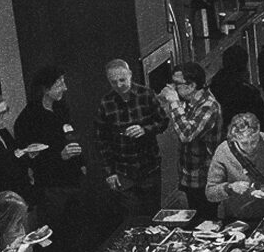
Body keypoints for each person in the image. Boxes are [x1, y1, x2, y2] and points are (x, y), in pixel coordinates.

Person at [14, 66, 90, 236]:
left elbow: (69, 135)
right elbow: (29, 157)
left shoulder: (61, 107)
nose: (65, 87)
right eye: (59, 84)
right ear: (45, 89)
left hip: (72, 178)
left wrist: (81, 162)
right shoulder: (28, 119)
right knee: (57, 232)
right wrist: (59, 156)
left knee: (77, 229)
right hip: (51, 186)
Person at [95, 59, 168, 219]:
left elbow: (163, 121)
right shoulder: (106, 103)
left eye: (122, 80)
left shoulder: (146, 94)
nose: (119, 85)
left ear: (130, 74)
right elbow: (102, 140)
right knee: (131, 218)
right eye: (114, 82)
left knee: (154, 215)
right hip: (123, 170)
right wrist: (109, 172)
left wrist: (145, 130)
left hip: (149, 165)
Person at [161, 61, 226, 223]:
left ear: (191, 85)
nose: (173, 87)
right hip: (190, 174)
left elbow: (187, 135)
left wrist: (174, 102)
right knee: (195, 217)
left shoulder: (208, 105)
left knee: (206, 221)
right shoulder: (189, 101)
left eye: (177, 84)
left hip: (205, 176)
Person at [206, 111, 264, 222]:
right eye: (245, 143)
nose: (251, 147)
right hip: (236, 218)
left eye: (255, 141)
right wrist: (230, 188)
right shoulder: (223, 151)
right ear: (234, 138)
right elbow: (210, 193)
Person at [210, 44, 264, 134]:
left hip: (219, 138)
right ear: (245, 64)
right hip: (244, 137)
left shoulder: (213, 87)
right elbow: (262, 122)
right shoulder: (249, 92)